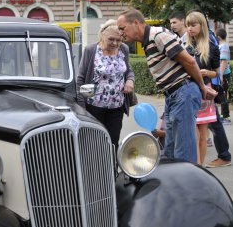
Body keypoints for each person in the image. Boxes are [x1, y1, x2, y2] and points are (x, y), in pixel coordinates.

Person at [117, 8, 207, 164]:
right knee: (170, 151)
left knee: (183, 153)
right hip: (174, 95)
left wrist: (202, 87)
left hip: (182, 92)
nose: (121, 33)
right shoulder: (148, 41)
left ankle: (187, 186)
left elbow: (189, 61)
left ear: (136, 23)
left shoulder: (157, 36)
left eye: (122, 28)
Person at [77, 19, 135, 149]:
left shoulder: (123, 49)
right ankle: (94, 169)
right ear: (102, 36)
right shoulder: (91, 50)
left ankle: (112, 168)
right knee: (94, 143)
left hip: (117, 107)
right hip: (93, 107)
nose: (115, 43)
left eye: (118, 40)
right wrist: (82, 108)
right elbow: (80, 79)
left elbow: (129, 70)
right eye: (111, 39)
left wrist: (130, 80)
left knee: (113, 142)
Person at [185, 11, 220, 165]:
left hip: (204, 91)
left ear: (202, 26)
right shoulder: (185, 47)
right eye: (187, 25)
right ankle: (195, 166)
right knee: (192, 134)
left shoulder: (211, 47)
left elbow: (217, 73)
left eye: (193, 25)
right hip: (188, 90)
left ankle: (200, 167)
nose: (189, 29)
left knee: (202, 135)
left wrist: (206, 72)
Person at [215, 28, 231, 124]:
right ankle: (222, 116)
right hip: (221, 74)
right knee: (221, 95)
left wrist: (220, 76)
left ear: (219, 37)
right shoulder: (220, 45)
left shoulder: (224, 46)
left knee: (223, 95)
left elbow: (224, 61)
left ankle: (226, 117)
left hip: (224, 74)